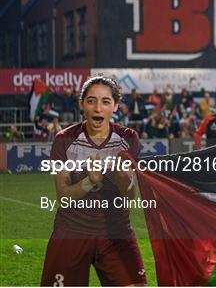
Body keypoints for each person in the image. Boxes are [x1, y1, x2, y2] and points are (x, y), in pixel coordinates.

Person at [40, 76, 146, 286]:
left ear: (115, 106)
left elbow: (130, 194)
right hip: (71, 232)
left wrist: (121, 176)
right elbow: (63, 196)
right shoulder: (64, 139)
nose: (98, 108)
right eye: (91, 101)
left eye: (106, 101)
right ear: (82, 104)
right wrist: (89, 181)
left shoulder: (127, 139)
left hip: (116, 232)